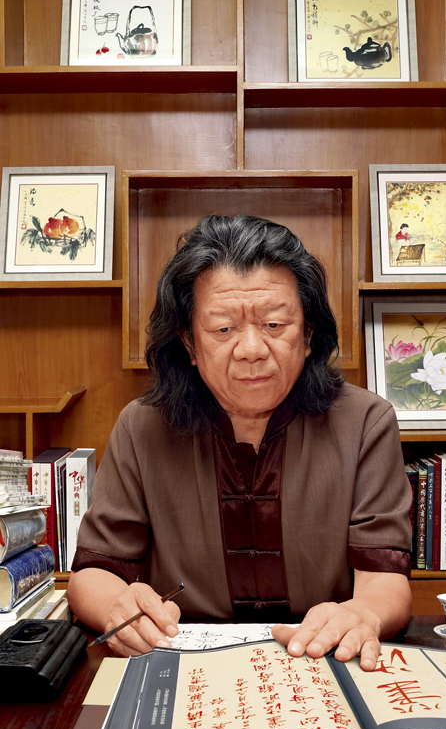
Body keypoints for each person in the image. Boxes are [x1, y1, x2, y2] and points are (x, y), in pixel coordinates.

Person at [67, 214, 412, 669]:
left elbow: (385, 580)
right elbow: (93, 574)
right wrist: (118, 606)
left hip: (322, 658)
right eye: (223, 329)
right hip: (182, 661)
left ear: (308, 334)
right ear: (190, 343)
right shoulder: (142, 426)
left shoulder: (365, 422)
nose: (252, 349)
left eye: (275, 324)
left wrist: (362, 613)